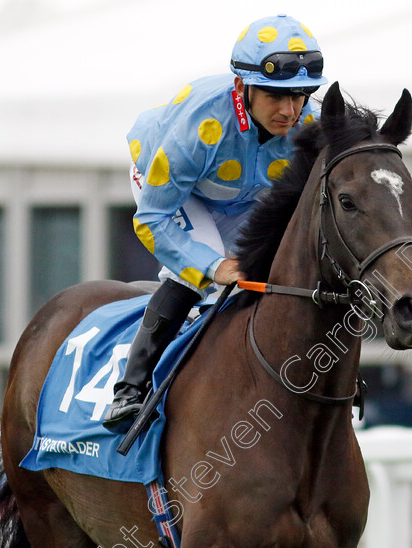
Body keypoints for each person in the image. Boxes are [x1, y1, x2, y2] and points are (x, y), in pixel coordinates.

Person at [102, 14, 328, 431]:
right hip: (170, 189)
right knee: (201, 268)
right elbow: (154, 219)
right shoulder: (201, 124)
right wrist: (213, 266)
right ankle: (129, 391)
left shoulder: (309, 126)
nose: (289, 110)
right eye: (275, 96)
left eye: (300, 96)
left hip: (242, 196)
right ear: (243, 87)